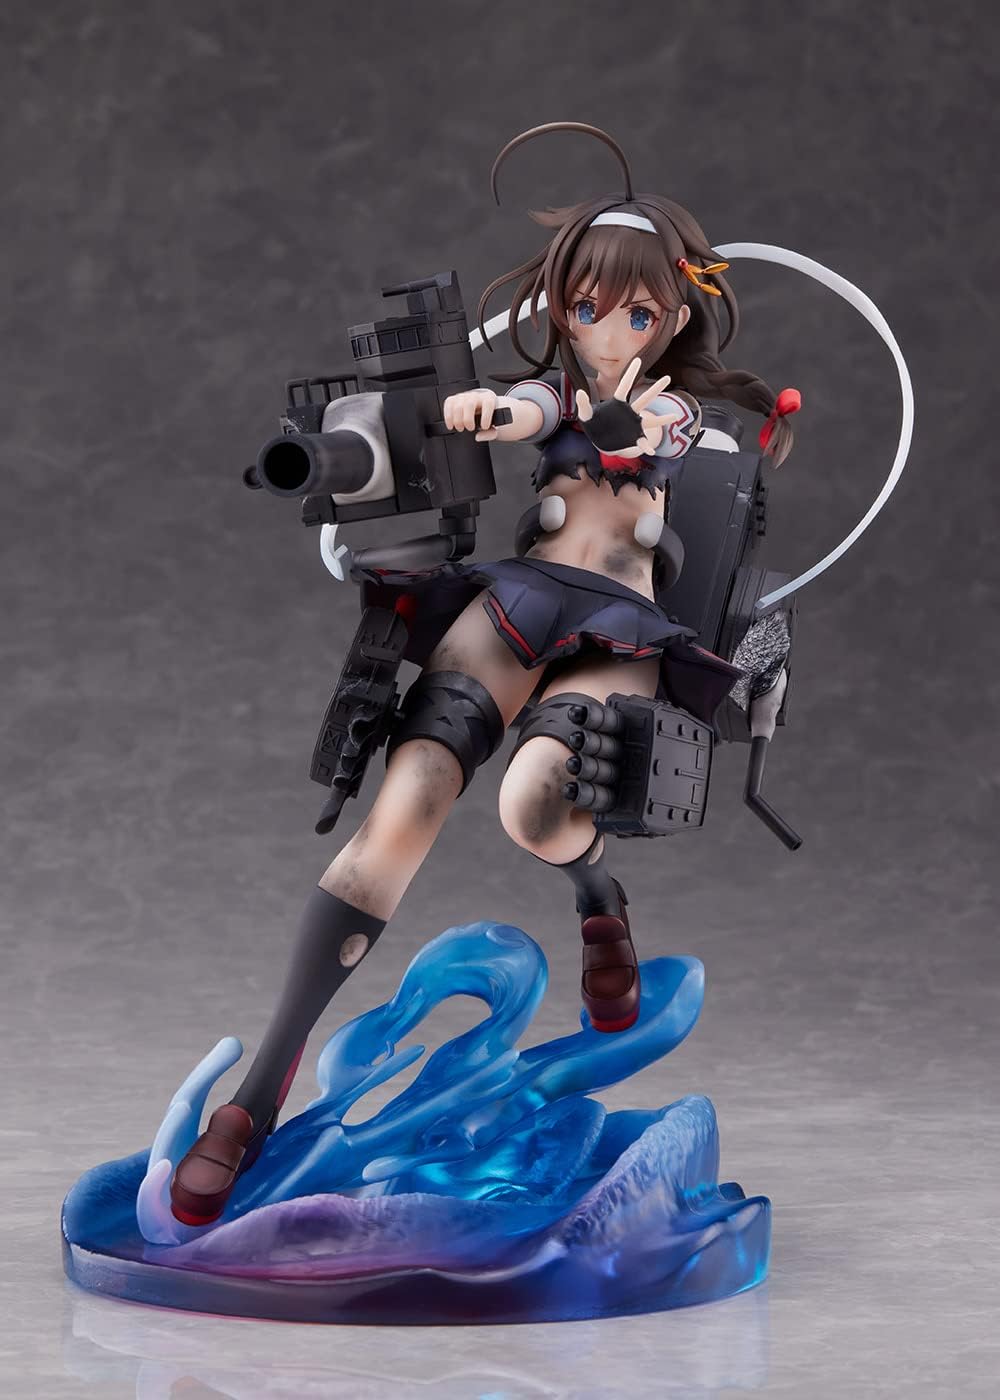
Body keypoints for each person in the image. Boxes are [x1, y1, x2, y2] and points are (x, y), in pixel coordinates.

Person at [169, 122, 798, 1227]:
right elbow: (538, 408)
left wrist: (579, 409)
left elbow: (629, 422)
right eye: (589, 308)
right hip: (520, 600)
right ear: (561, 306)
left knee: (533, 808)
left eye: (639, 313)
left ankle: (597, 894)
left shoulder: (675, 410)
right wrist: (484, 411)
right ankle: (258, 1093)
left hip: (618, 626)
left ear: (674, 315)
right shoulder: (556, 389)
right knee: (401, 805)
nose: (609, 330)